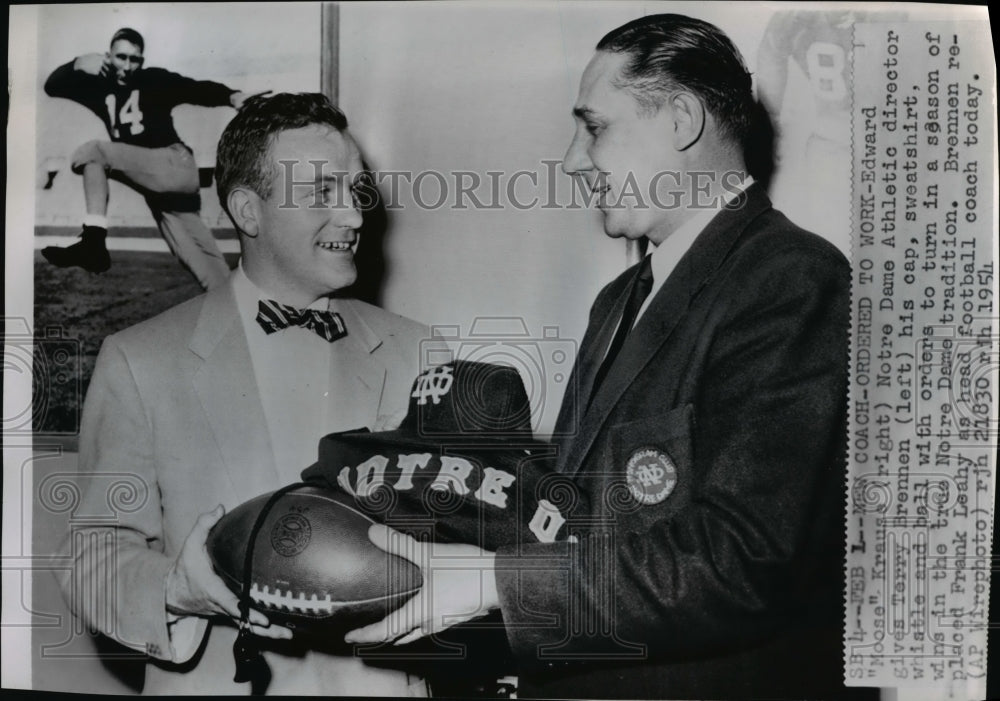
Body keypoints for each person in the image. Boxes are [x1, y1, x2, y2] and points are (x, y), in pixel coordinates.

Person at [348, 14, 869, 700]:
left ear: (681, 119)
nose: (572, 159)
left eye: (594, 127)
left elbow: (740, 561)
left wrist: (487, 581)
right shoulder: (619, 299)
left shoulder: (791, 279)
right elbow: (575, 516)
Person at [58, 92, 442, 695]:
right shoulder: (138, 360)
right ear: (249, 211)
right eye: (322, 193)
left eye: (355, 191)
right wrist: (176, 589)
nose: (354, 215)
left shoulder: (422, 353)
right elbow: (92, 559)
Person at [41, 27, 263, 290]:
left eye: (134, 59)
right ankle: (244, 318)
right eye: (121, 57)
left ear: (142, 62)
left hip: (172, 165)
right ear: (107, 57)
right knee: (208, 270)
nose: (127, 65)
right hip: (160, 190)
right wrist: (77, 64)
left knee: (92, 152)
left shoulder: (152, 79)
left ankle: (93, 241)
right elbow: (53, 86)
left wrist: (231, 96)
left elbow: (193, 88)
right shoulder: (100, 88)